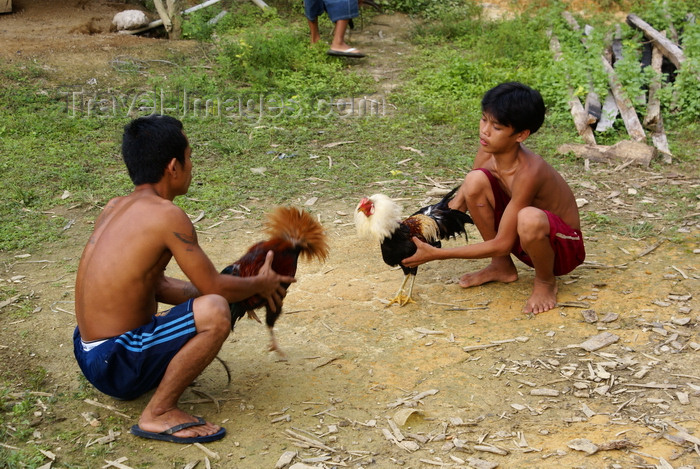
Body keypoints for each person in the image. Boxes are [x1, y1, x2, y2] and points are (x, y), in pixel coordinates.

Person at [73, 115, 294, 444]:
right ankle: (159, 413)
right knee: (215, 311)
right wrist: (257, 285)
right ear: (173, 167)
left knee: (208, 304)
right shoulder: (167, 215)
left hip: (89, 349)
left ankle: (149, 374)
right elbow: (214, 290)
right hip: (115, 362)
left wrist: (230, 292)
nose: (193, 165)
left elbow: (156, 285)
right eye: (191, 157)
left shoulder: (114, 207)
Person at [402, 82, 585, 315]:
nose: (485, 131)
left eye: (496, 127)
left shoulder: (530, 172)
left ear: (521, 135)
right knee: (474, 180)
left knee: (528, 217)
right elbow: (458, 204)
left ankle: (545, 282)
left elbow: (503, 242)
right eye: (483, 119)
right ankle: (501, 266)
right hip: (524, 240)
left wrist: (438, 255)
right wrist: (417, 227)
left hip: (562, 248)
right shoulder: (488, 150)